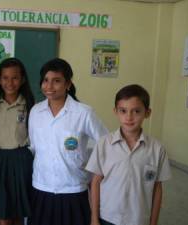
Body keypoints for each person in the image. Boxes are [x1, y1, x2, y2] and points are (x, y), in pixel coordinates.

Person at [28, 58, 108, 225]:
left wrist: (91, 169)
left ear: (68, 84)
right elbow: (34, 148)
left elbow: (105, 142)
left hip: (73, 189)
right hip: (42, 187)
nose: (49, 86)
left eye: (57, 81)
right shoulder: (36, 111)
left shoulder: (83, 113)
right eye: (46, 80)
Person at [86, 84, 172, 225]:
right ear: (116, 111)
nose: (129, 117)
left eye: (136, 111)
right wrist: (94, 218)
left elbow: (157, 188)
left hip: (139, 219)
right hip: (107, 217)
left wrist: (153, 222)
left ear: (147, 113)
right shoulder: (104, 144)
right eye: (123, 111)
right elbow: (95, 182)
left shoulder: (157, 149)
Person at [0, 58, 35, 225]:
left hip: (21, 160)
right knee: (3, 214)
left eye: (15, 78)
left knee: (18, 213)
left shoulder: (29, 105)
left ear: (22, 79)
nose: (10, 82)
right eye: (5, 77)